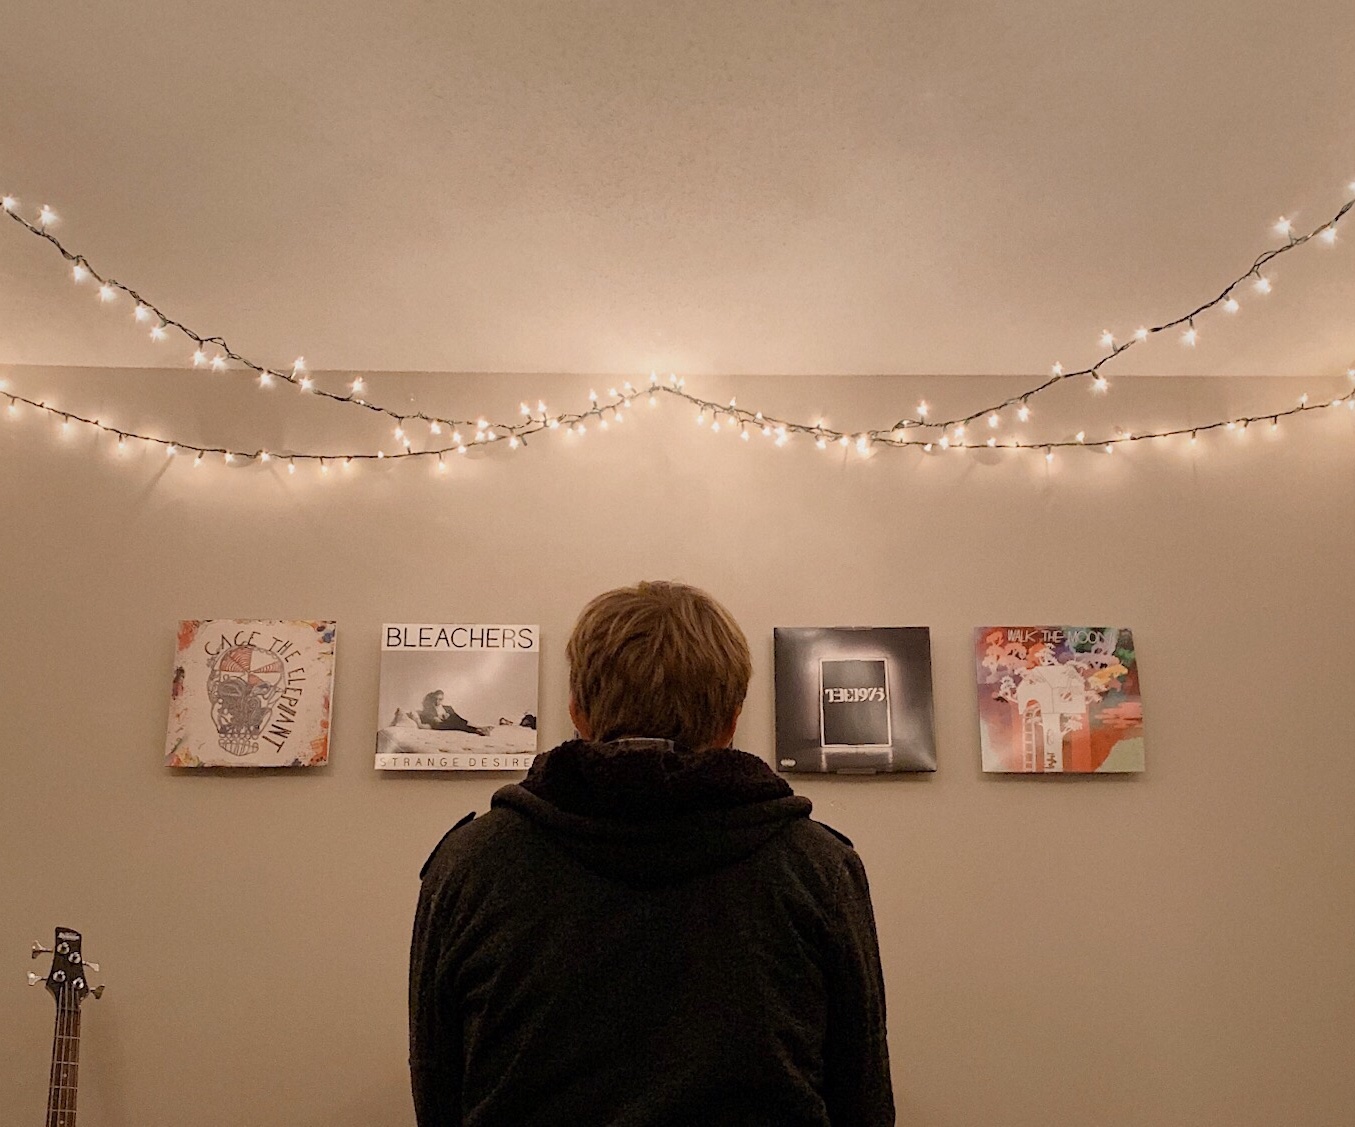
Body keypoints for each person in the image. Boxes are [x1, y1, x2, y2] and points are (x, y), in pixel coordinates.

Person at [409, 581, 894, 1126]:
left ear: (577, 710)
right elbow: (864, 1099)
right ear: (733, 718)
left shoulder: (469, 865)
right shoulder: (819, 868)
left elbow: (438, 1091)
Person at [418, 690, 491, 736]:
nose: (437, 701)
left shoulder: (447, 708)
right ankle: (479, 729)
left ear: (442, 699)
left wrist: (448, 716)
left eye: (440, 699)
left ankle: (478, 729)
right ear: (432, 699)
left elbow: (459, 718)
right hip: (441, 725)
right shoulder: (429, 709)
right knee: (456, 721)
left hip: (452, 721)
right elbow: (435, 720)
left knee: (457, 720)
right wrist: (441, 718)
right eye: (436, 699)